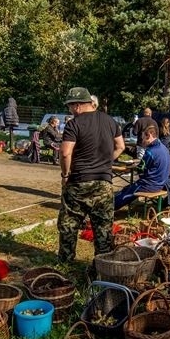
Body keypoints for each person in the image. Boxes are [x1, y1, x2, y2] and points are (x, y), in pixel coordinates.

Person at [58, 86, 124, 262]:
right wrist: (106, 162)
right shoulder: (111, 121)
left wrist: (65, 175)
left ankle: (67, 262)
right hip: (104, 182)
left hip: (79, 181)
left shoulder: (74, 124)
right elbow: (121, 146)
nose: (70, 110)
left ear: (78, 105)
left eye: (70, 106)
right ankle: (102, 265)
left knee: (69, 224)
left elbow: (65, 153)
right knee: (103, 227)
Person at [114, 124, 170, 210]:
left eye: (143, 137)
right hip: (161, 183)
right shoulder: (164, 148)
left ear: (149, 135)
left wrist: (134, 166)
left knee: (126, 192)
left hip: (150, 185)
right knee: (128, 188)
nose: (142, 140)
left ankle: (108, 210)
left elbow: (140, 170)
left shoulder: (150, 152)